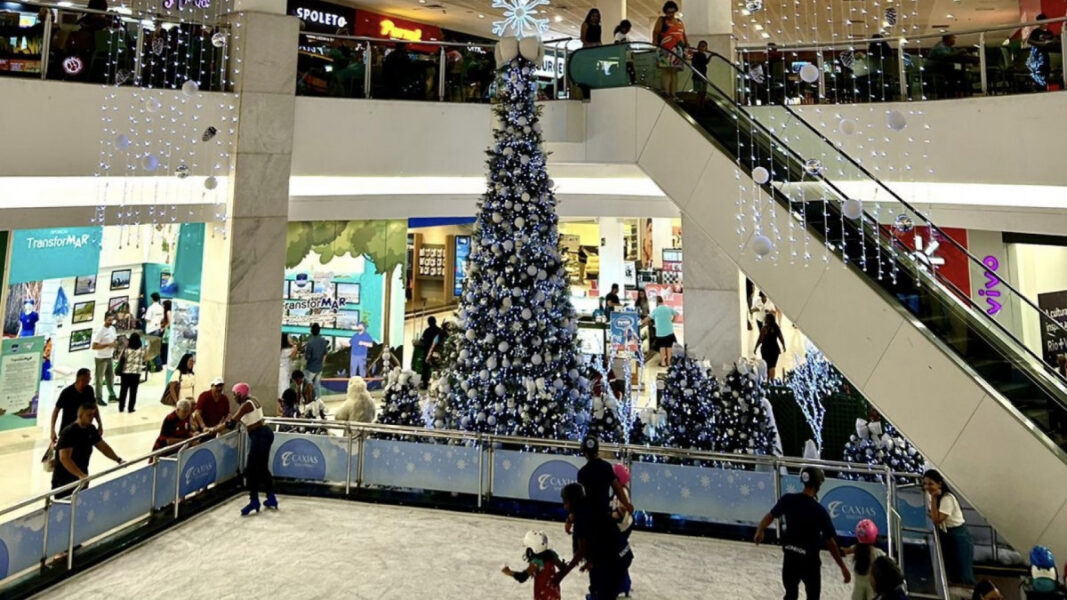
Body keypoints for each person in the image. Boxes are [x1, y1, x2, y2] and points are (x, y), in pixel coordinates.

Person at [754, 466, 851, 600]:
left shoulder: (788, 500)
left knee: (790, 594)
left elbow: (770, 516)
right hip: (809, 562)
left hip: (790, 557)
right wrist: (842, 567)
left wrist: (760, 530)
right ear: (818, 485)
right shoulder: (819, 511)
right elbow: (831, 543)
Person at [554, 482, 623, 600]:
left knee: (604, 590)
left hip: (613, 556)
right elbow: (598, 536)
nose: (564, 506)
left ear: (573, 501)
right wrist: (592, 561)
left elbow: (582, 551)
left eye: (566, 502)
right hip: (614, 551)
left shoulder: (582, 518)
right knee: (597, 584)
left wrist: (561, 574)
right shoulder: (587, 507)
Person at [52, 402, 124, 498]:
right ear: (80, 415)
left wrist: (118, 459)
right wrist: (81, 475)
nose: (92, 418)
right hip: (64, 481)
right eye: (89, 415)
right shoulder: (69, 432)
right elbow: (64, 458)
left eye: (93, 415)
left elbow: (103, 447)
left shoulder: (91, 429)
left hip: (82, 478)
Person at [228, 383, 277, 515]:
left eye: (234, 394)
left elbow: (232, 423)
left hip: (259, 436)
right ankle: (270, 497)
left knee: (252, 469)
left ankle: (254, 500)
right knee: (261, 467)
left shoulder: (246, 405)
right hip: (263, 434)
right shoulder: (253, 400)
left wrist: (213, 429)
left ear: (240, 394)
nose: (234, 398)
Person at [923, 469, 975, 587]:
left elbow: (936, 519)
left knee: (963, 571)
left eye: (931, 484)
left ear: (939, 484)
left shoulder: (947, 498)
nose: (927, 487)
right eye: (925, 484)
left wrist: (934, 500)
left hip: (959, 536)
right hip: (947, 535)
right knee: (952, 570)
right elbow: (933, 514)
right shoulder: (932, 495)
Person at [577, 436, 634, 517]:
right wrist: (627, 504)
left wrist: (572, 517)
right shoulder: (606, 467)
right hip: (603, 512)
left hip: (588, 514)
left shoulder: (582, 473)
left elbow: (579, 498)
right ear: (597, 450)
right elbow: (617, 488)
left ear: (585, 453)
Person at [502, 530, 565, 600]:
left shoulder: (537, 562)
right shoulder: (552, 555)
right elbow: (563, 568)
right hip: (554, 595)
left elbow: (523, 577)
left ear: (534, 549)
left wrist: (509, 572)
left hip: (543, 596)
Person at [50, 368, 101, 444]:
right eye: (88, 377)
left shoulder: (89, 390)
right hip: (68, 429)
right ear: (80, 378)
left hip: (84, 428)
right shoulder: (67, 392)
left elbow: (94, 407)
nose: (89, 380)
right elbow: (56, 411)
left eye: (90, 378)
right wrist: (52, 430)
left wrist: (100, 424)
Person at [652, 1, 688, 99]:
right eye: (668, 12)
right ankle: (666, 92)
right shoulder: (662, 20)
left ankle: (674, 93)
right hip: (666, 49)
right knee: (666, 71)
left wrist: (686, 47)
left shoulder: (680, 22)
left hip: (678, 50)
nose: (670, 14)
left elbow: (683, 35)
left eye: (672, 12)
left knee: (674, 72)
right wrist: (655, 42)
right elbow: (655, 32)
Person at [843, 519, 885, 600]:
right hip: (872, 588)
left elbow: (845, 551)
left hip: (858, 589)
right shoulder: (878, 553)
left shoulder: (856, 549)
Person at [91, 313, 119, 404]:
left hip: (109, 356)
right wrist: (107, 345)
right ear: (105, 319)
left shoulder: (113, 328)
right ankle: (98, 397)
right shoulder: (100, 331)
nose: (111, 322)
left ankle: (112, 395)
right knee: (99, 378)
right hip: (101, 358)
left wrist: (114, 344)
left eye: (112, 320)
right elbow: (94, 346)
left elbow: (114, 339)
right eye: (109, 320)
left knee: (110, 377)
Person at [643, 297, 677, 367]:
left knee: (662, 347)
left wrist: (641, 322)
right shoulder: (668, 308)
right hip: (669, 331)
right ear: (662, 301)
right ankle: (669, 362)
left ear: (656, 302)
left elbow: (648, 318)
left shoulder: (656, 310)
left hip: (660, 332)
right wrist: (672, 321)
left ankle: (663, 363)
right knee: (669, 347)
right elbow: (677, 314)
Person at [117, 332, 145, 413]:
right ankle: (130, 408)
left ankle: (121, 407)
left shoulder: (126, 349)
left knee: (123, 390)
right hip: (136, 373)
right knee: (133, 391)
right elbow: (145, 358)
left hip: (125, 372)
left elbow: (120, 358)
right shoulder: (141, 350)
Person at [1027, 15, 1057, 90]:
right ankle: (1039, 87)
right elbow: (1029, 41)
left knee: (1046, 70)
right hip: (1038, 56)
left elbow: (1054, 40)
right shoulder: (1036, 32)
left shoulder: (1050, 32)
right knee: (1039, 72)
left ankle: (1045, 86)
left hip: (1047, 55)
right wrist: (1039, 43)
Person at [754, 313, 787, 380]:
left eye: (766, 318)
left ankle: (768, 381)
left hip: (766, 349)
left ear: (768, 320)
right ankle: (772, 381)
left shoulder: (764, 329)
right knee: (772, 366)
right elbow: (781, 337)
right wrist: (783, 345)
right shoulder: (776, 327)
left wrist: (756, 347)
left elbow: (760, 339)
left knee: (767, 366)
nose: (765, 319)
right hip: (775, 349)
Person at [304, 323, 328, 399]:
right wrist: (322, 364)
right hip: (319, 367)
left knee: (308, 385)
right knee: (317, 385)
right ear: (319, 331)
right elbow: (325, 354)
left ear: (311, 331)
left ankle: (310, 401)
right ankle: (319, 402)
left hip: (311, 368)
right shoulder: (323, 341)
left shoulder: (310, 342)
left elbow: (307, 357)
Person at [420, 316, 442, 388]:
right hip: (438, 351)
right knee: (438, 367)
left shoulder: (427, 331)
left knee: (425, 368)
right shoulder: (439, 330)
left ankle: (425, 384)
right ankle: (439, 384)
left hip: (428, 351)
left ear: (428, 323)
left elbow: (422, 340)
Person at [691, 40, 711, 104]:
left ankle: (701, 103)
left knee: (703, 91)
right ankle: (698, 104)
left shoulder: (703, 55)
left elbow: (705, 62)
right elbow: (702, 63)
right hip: (697, 75)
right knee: (698, 92)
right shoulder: (696, 54)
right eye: (701, 46)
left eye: (704, 47)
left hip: (703, 75)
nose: (702, 48)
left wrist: (710, 56)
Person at [280, 333, 296, 398]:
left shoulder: (281, 350)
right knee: (284, 387)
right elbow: (294, 355)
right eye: (289, 338)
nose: (290, 339)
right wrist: (293, 344)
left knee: (281, 387)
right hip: (285, 372)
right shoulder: (289, 350)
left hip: (281, 371)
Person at [160, 300, 172, 366]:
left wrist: (164, 327)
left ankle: (164, 360)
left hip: (167, 332)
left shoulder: (168, 312)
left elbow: (170, 323)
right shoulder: (170, 312)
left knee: (164, 346)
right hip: (168, 331)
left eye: (163, 305)